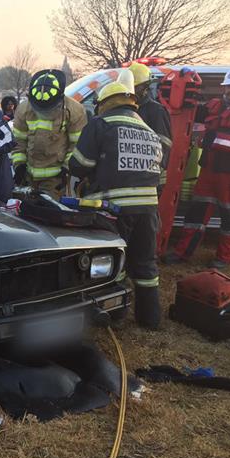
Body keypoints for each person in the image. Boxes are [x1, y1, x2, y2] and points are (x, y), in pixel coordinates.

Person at [69, 73, 164, 329]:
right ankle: (150, 318)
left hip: (114, 208)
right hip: (148, 208)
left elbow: (80, 164)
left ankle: (115, 315)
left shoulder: (101, 124)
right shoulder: (147, 130)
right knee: (145, 263)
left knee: (113, 261)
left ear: (104, 103)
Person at [165, 67, 230, 269]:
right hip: (209, 171)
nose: (229, 90)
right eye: (227, 86)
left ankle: (224, 258)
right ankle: (182, 253)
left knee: (229, 218)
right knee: (195, 214)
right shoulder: (215, 106)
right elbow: (190, 110)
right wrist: (184, 83)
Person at [10, 69, 87, 199]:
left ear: (60, 99)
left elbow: (77, 145)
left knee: (49, 209)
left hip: (55, 179)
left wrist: (66, 169)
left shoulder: (74, 111)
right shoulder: (24, 109)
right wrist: (19, 166)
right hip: (28, 176)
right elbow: (18, 142)